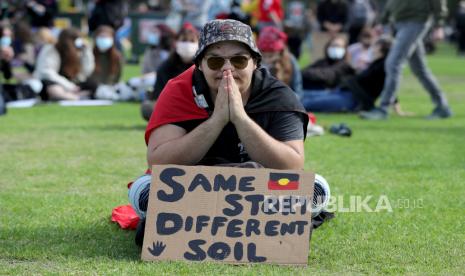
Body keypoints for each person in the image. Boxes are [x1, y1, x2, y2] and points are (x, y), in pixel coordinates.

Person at [129, 20, 309, 241]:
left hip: (255, 187)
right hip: (194, 185)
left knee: (312, 189)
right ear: (200, 65)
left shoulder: (278, 96)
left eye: (239, 60)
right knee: (145, 190)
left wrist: (241, 119)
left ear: (255, 63)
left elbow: (291, 165)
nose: (227, 68)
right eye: (215, 61)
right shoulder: (179, 90)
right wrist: (217, 121)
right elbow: (158, 163)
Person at [360, 0, 452, 120]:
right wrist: (383, 21)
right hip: (400, 22)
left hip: (417, 21)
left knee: (393, 63)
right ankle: (442, 106)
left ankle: (383, 108)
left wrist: (439, 25)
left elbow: (438, 3)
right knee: (420, 70)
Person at [302, 36, 408, 113]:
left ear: (380, 48)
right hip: (342, 91)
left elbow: (390, 85)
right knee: (303, 96)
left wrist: (398, 109)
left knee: (306, 103)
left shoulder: (383, 65)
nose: (372, 48)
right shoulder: (376, 63)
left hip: (351, 100)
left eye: (375, 45)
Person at [141, 23, 199, 120]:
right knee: (147, 108)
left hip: (199, 105)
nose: (187, 44)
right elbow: (158, 95)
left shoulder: (203, 66)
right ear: (176, 42)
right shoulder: (165, 67)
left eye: (191, 41)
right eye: (184, 40)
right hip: (173, 106)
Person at [33, 28, 95, 101]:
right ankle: (71, 96)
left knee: (92, 85)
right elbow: (47, 73)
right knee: (52, 87)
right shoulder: (51, 49)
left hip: (73, 84)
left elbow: (87, 71)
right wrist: (69, 86)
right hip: (54, 82)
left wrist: (87, 51)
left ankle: (73, 95)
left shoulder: (79, 51)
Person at [257, 26, 302, 99]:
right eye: (264, 56)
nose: (267, 60)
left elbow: (298, 91)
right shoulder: (256, 63)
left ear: (280, 52)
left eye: (271, 56)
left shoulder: (290, 60)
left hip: (287, 100)